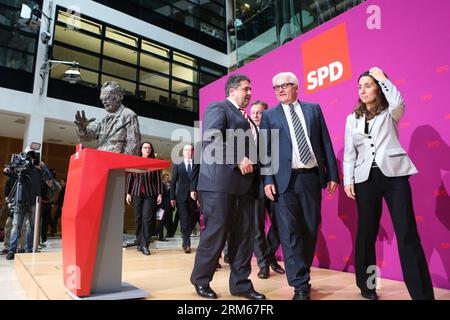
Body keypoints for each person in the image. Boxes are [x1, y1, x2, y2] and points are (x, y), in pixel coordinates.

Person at [343, 67, 435, 300]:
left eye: (368, 85)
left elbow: (398, 101)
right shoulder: (351, 118)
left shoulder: (391, 112)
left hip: (394, 176)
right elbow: (349, 154)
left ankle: (422, 295)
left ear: (378, 88)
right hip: (365, 180)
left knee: (407, 233)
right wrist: (348, 180)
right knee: (366, 234)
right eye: (360, 86)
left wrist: (383, 78)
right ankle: (368, 286)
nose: (363, 90)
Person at [261, 72, 339, 300]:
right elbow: (265, 151)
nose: (280, 90)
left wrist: (333, 174)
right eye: (276, 87)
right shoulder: (269, 115)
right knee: (289, 232)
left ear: (296, 87)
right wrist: (267, 179)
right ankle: (300, 284)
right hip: (283, 181)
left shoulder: (313, 109)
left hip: (311, 179)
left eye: (284, 85)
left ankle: (302, 270)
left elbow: (325, 142)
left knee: (310, 228)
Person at [190, 74, 265, 300]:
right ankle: (201, 280)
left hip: (244, 187)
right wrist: (238, 158)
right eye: (246, 89)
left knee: (243, 237)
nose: (250, 93)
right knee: (216, 234)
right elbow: (212, 138)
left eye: (251, 89)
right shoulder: (218, 107)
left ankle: (241, 284)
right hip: (218, 185)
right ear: (232, 90)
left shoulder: (247, 119)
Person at [250, 100, 285, 279]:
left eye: (260, 112)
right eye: (253, 112)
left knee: (280, 223)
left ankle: (270, 255)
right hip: (254, 186)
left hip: (275, 183)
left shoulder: (275, 133)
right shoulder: (245, 134)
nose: (256, 115)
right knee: (257, 228)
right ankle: (263, 265)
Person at [74, 81, 141, 155]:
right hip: (101, 160)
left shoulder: (128, 115)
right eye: (102, 99)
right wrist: (83, 129)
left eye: (107, 98)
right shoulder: (106, 119)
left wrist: (122, 163)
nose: (104, 102)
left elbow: (133, 144)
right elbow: (87, 138)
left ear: (120, 96)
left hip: (115, 163)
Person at [125, 142, 163, 255]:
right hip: (136, 193)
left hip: (150, 194)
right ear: (141, 149)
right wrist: (128, 193)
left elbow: (158, 180)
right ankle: (140, 242)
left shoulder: (154, 163)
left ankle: (145, 245)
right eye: (145, 148)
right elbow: (130, 178)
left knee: (147, 219)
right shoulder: (135, 161)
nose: (147, 149)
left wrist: (160, 194)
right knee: (138, 219)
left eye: (149, 148)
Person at [170, 144, 199, 253]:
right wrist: (172, 197)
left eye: (191, 150)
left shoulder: (197, 165)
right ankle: (186, 243)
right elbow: (173, 182)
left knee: (191, 219)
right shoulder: (178, 165)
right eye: (186, 150)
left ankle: (186, 235)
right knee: (184, 219)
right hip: (181, 197)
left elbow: (199, 181)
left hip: (194, 197)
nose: (189, 152)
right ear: (183, 152)